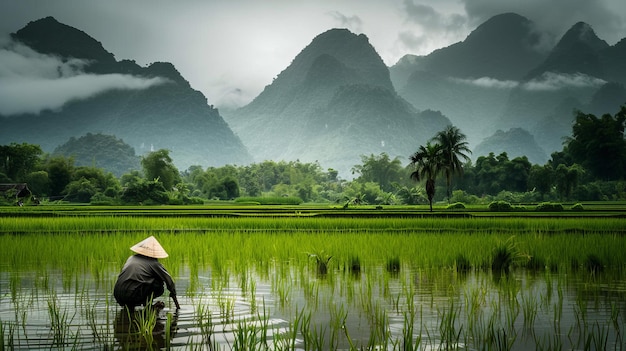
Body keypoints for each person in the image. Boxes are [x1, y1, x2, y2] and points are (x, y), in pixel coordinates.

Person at [114, 236, 180, 310]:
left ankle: (133, 309)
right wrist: (173, 292)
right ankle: (148, 307)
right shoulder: (154, 263)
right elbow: (169, 280)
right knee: (158, 283)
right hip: (132, 296)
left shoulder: (131, 258)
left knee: (141, 282)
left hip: (118, 295)